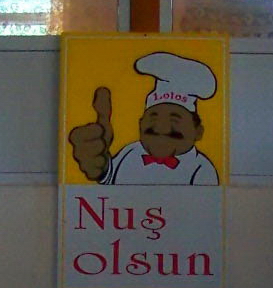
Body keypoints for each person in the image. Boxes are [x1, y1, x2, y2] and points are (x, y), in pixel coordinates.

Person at [66, 50, 221, 186]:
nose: (161, 127)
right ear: (140, 124)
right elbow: (107, 177)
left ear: (198, 131)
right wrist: (98, 162)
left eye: (175, 120)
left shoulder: (201, 170)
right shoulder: (130, 152)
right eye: (153, 118)